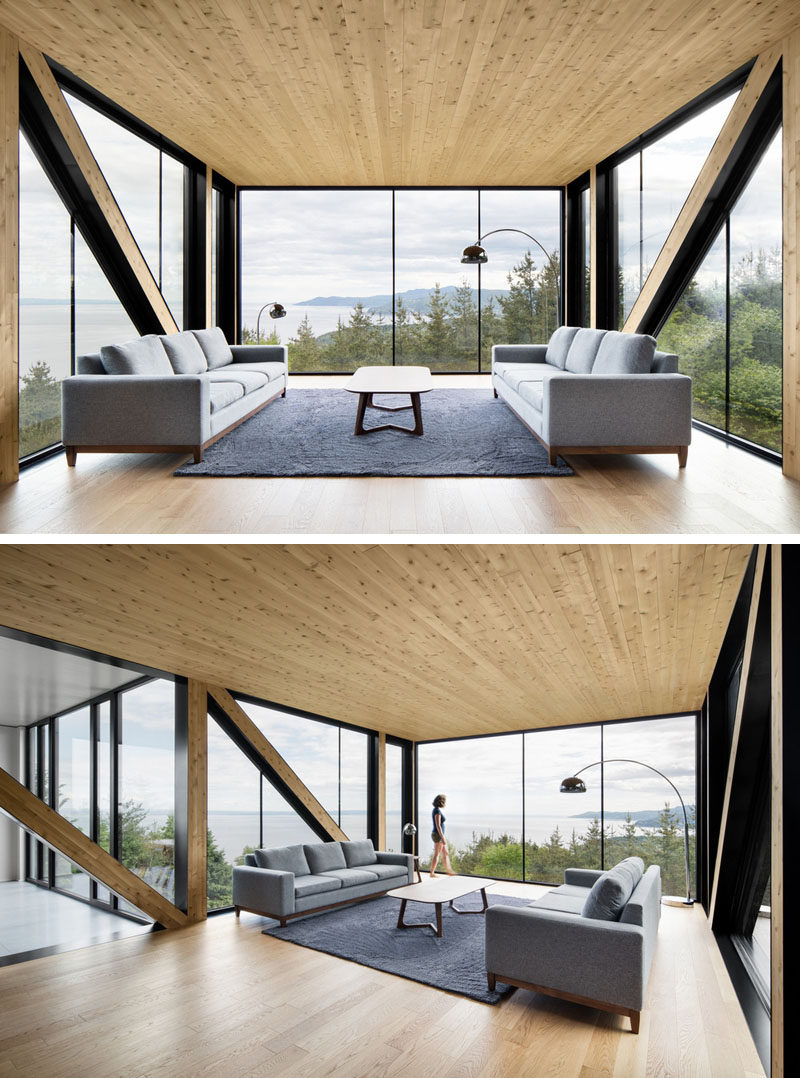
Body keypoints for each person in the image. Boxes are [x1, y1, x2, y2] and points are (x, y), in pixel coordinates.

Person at [429, 793, 455, 877]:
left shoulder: (437, 810)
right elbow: (438, 826)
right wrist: (443, 838)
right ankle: (432, 873)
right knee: (437, 854)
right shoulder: (437, 811)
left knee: (445, 853)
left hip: (439, 835)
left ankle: (449, 871)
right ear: (441, 802)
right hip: (438, 835)